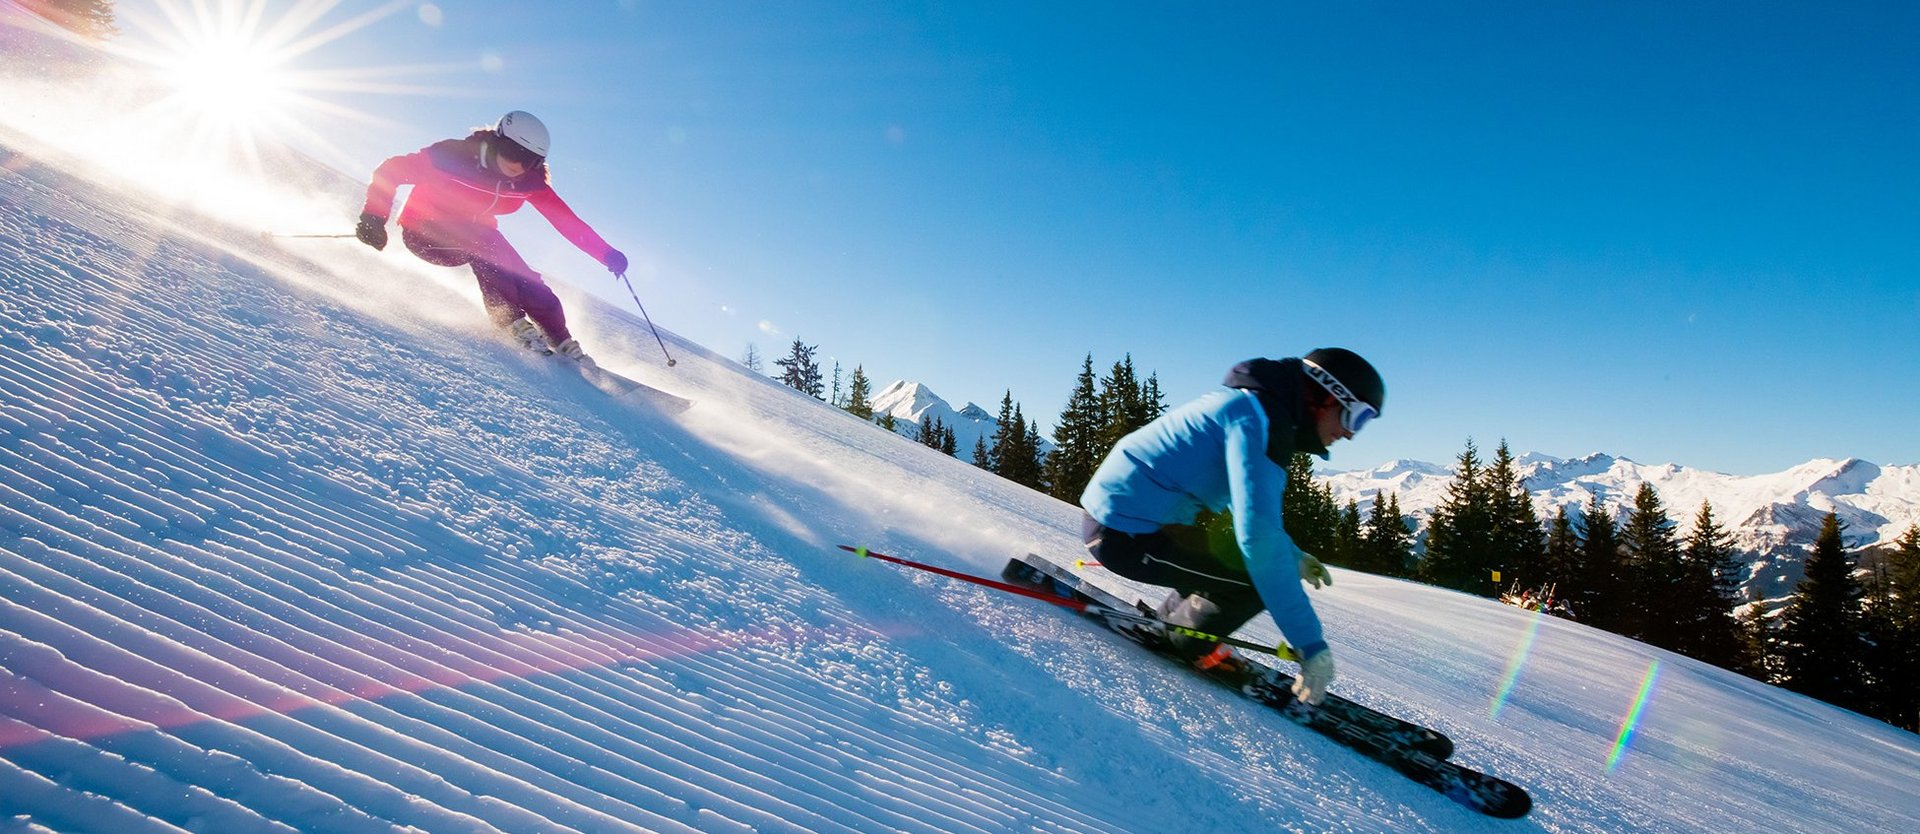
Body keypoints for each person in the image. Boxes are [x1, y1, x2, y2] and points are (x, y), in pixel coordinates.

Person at [1079, 348, 1384, 706]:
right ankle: (1180, 639)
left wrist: (1293, 556)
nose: (1349, 434)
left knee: (1237, 560)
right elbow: (1258, 538)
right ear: (1326, 396)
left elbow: (1253, 518)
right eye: (1356, 417)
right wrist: (1310, 644)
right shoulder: (1260, 420)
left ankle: (1171, 623)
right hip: (1123, 533)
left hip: (1126, 518)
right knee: (1255, 579)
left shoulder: (1254, 407)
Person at [354, 110, 628, 363]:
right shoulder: (453, 156)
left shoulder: (528, 183)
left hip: (479, 236)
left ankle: (560, 339)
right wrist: (374, 218)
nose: (517, 164)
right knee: (486, 245)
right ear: (498, 140)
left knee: (524, 276)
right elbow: (390, 171)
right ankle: (510, 322)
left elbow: (566, 221)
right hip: (424, 232)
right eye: (512, 151)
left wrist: (606, 254)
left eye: (529, 159)